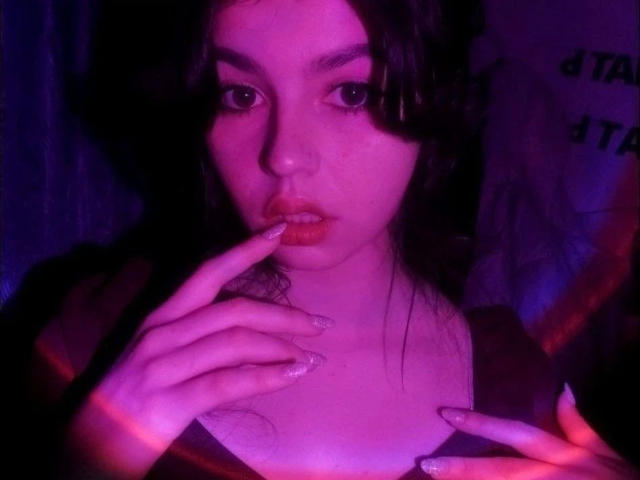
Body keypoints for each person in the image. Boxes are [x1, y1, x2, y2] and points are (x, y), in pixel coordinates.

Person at [13, 0, 638, 479]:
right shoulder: (93, 341)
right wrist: (79, 463)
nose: (284, 156)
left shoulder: (518, 389)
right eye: (241, 95)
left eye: (350, 92)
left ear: (432, 94)